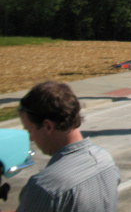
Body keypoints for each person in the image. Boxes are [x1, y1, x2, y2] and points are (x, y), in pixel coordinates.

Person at [16, 81, 120, 211]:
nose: (31, 138)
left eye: (30, 130)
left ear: (48, 126)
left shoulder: (46, 187)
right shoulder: (105, 160)